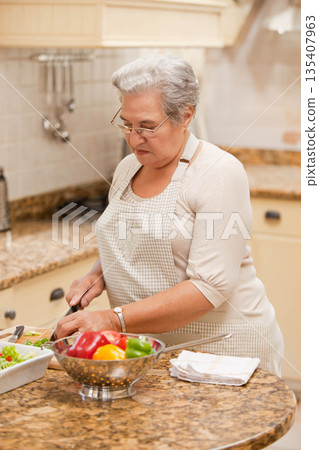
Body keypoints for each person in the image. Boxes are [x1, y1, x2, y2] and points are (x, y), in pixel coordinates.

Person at [55, 55, 284, 376]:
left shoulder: (219, 172)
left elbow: (208, 287)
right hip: (146, 351)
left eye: (147, 126)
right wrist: (99, 274)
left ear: (186, 115)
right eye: (126, 123)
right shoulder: (128, 168)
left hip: (221, 352)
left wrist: (111, 319)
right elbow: (132, 241)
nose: (134, 139)